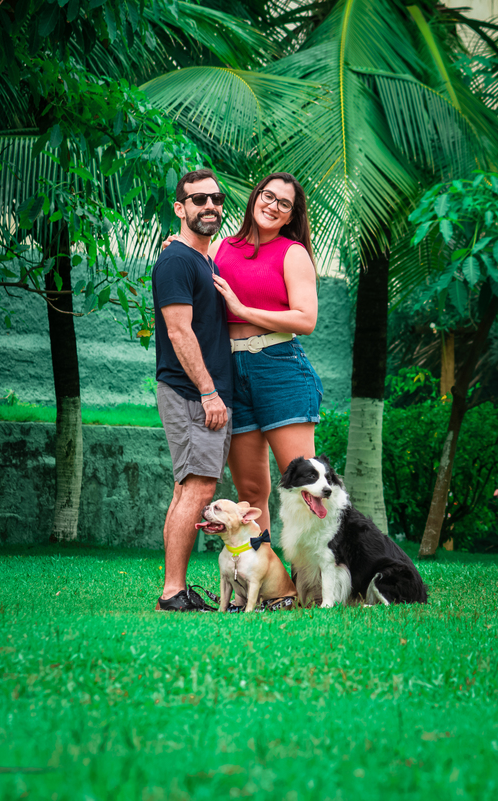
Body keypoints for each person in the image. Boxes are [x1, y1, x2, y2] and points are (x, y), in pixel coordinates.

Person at [167, 173, 322, 535]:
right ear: (255, 198)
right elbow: (190, 274)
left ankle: (319, 584)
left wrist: (241, 307)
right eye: (268, 196)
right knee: (251, 492)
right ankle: (270, 589)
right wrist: (175, 247)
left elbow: (306, 319)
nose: (273, 206)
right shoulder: (222, 248)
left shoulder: (292, 252)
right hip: (230, 371)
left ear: (290, 215)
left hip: (280, 368)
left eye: (284, 204)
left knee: (304, 488)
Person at [152, 168, 233, 612]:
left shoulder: (202, 258)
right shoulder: (178, 260)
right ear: (180, 209)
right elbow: (179, 332)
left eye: (216, 200)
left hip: (200, 391)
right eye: (198, 200)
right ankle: (172, 592)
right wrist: (207, 391)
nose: (209, 207)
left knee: (190, 488)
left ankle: (174, 589)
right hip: (190, 392)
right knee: (199, 489)